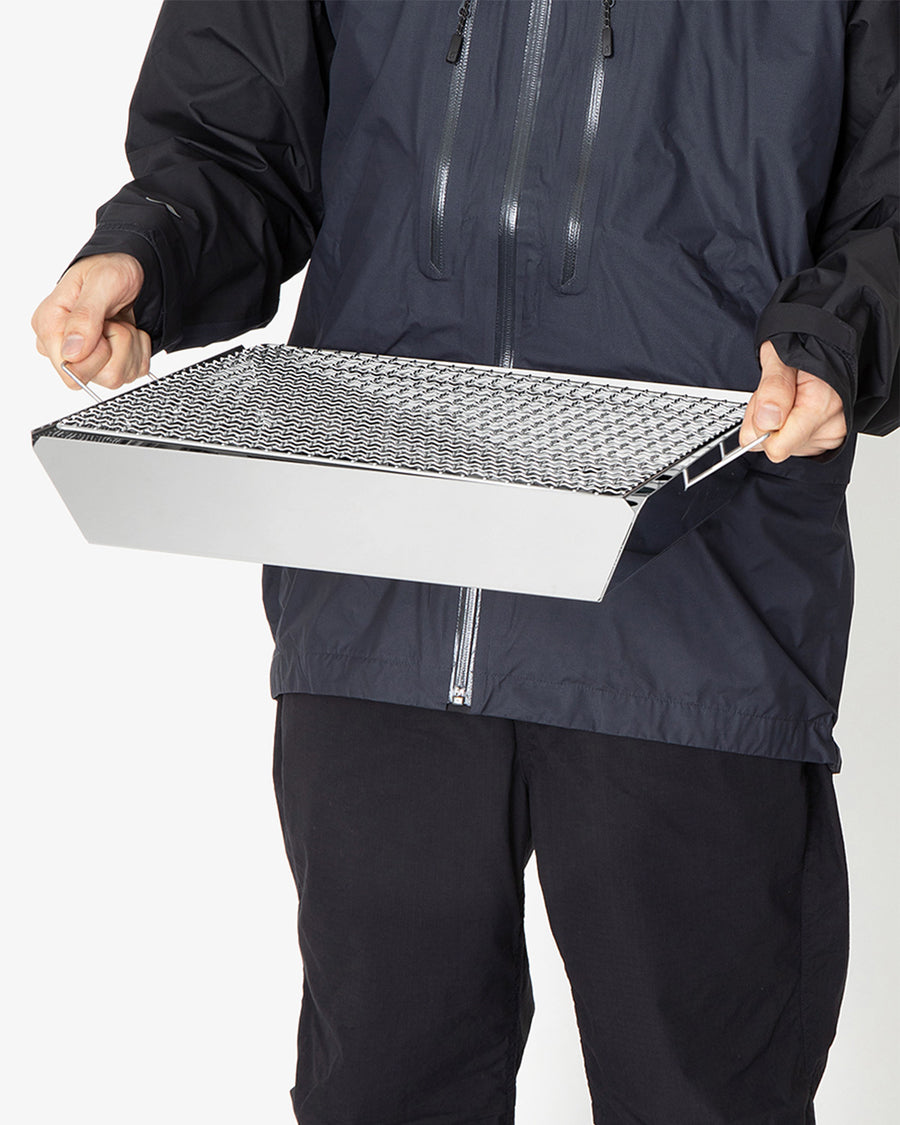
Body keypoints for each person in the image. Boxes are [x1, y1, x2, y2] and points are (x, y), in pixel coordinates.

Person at [30, 2, 898, 1122]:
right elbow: (233, 134)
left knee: (702, 1096)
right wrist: (148, 251)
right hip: (380, 591)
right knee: (380, 1089)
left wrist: (842, 340)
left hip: (695, 605)